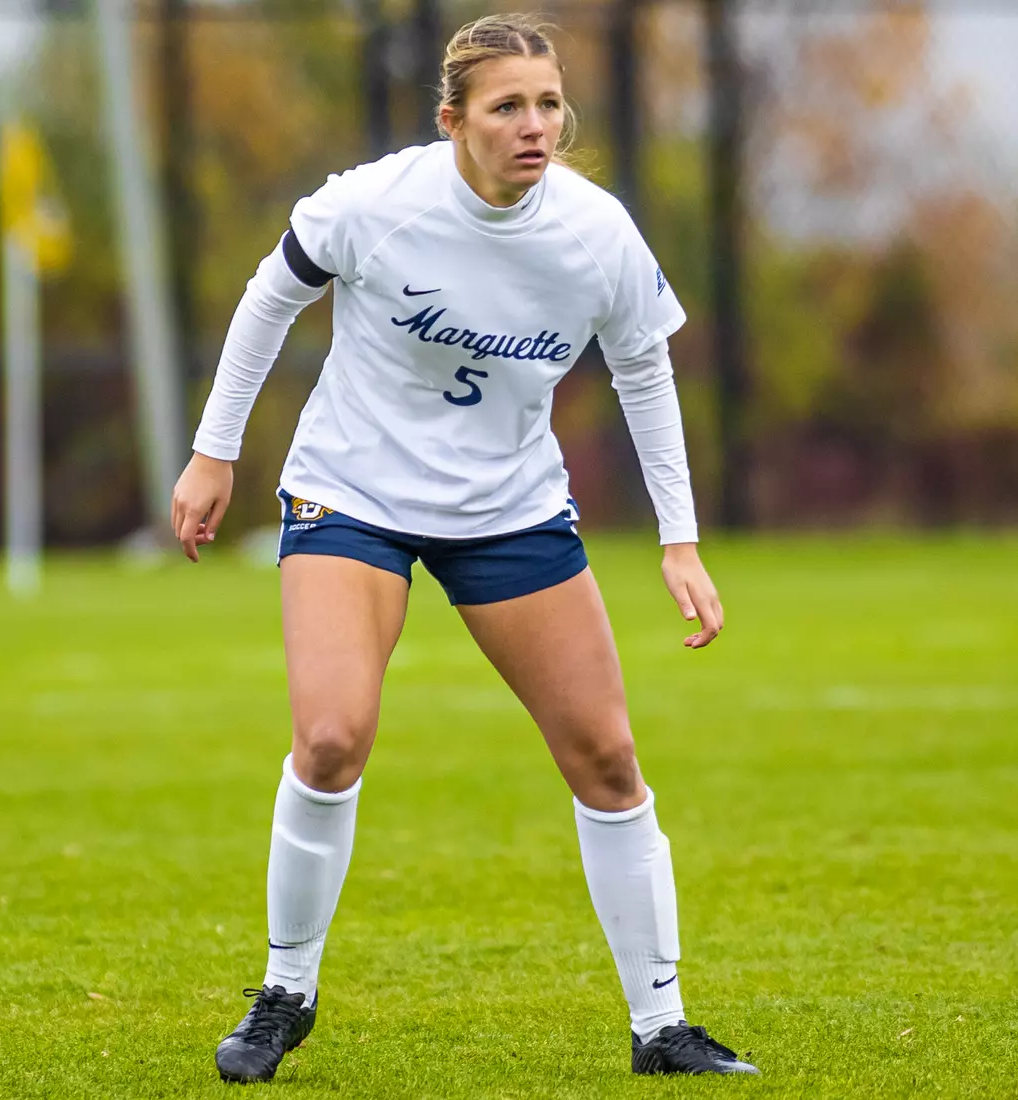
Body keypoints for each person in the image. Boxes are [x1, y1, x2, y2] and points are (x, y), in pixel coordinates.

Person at [172, 13, 757, 1083]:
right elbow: (270, 297)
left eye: (547, 104)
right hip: (353, 491)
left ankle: (661, 1025)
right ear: (452, 121)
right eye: (505, 106)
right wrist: (214, 454)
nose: (534, 125)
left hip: (510, 508)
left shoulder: (596, 232)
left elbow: (642, 371)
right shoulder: (373, 204)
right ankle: (284, 991)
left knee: (608, 758)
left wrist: (679, 539)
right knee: (333, 736)